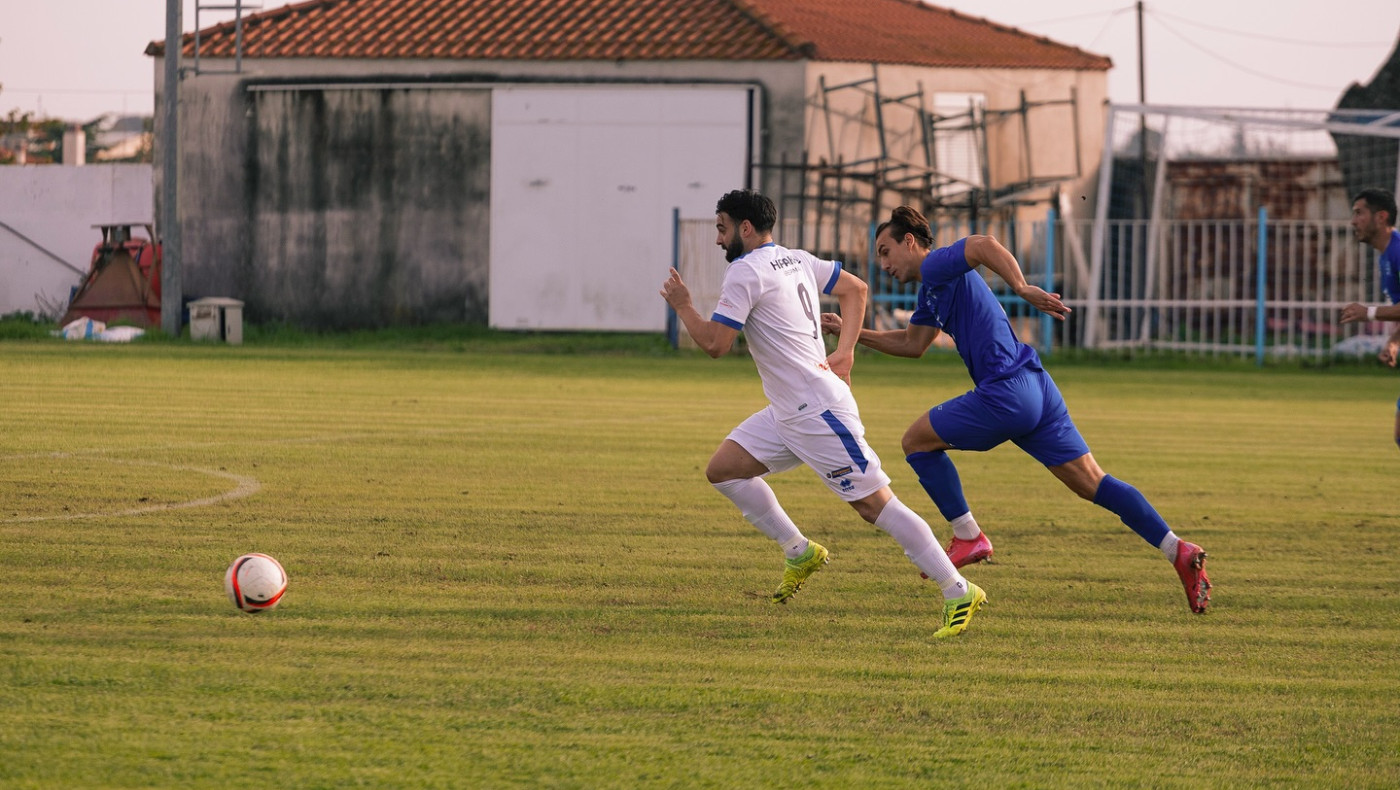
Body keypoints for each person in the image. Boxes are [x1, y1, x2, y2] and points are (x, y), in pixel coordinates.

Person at [820, 205, 1212, 614]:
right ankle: (1178, 549)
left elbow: (982, 245)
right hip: (1038, 388)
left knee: (915, 441)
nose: (882, 264)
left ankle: (967, 534)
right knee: (1091, 482)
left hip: (1006, 390)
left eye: (885, 251)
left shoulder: (936, 266)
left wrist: (1021, 287)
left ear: (911, 243)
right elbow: (912, 344)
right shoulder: (932, 290)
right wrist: (849, 331)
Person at [660, 190, 985, 638]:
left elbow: (716, 345)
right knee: (724, 470)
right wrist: (845, 351)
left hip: (816, 411)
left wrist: (683, 306)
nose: (718, 239)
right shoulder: (793, 259)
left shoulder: (744, 271)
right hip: (788, 411)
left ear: (745, 228)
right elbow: (856, 288)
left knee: (875, 506)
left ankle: (958, 589)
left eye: (721, 228)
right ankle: (798, 551)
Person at [1339, 188, 1400, 447]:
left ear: (1381, 217)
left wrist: (1369, 313)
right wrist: (1395, 341)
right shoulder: (1385, 258)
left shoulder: (1398, 252)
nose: (1353, 221)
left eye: (1359, 213)